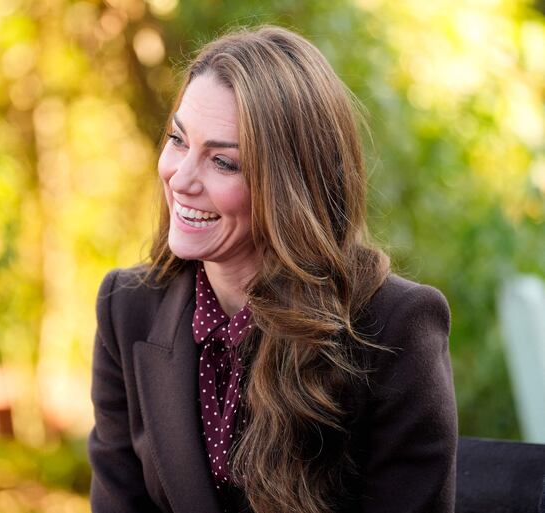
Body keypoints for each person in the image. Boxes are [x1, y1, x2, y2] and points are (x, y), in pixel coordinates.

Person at [88, 25, 457, 513]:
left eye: (223, 162)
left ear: (291, 187)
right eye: (178, 139)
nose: (180, 176)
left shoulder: (395, 328)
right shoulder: (126, 307)